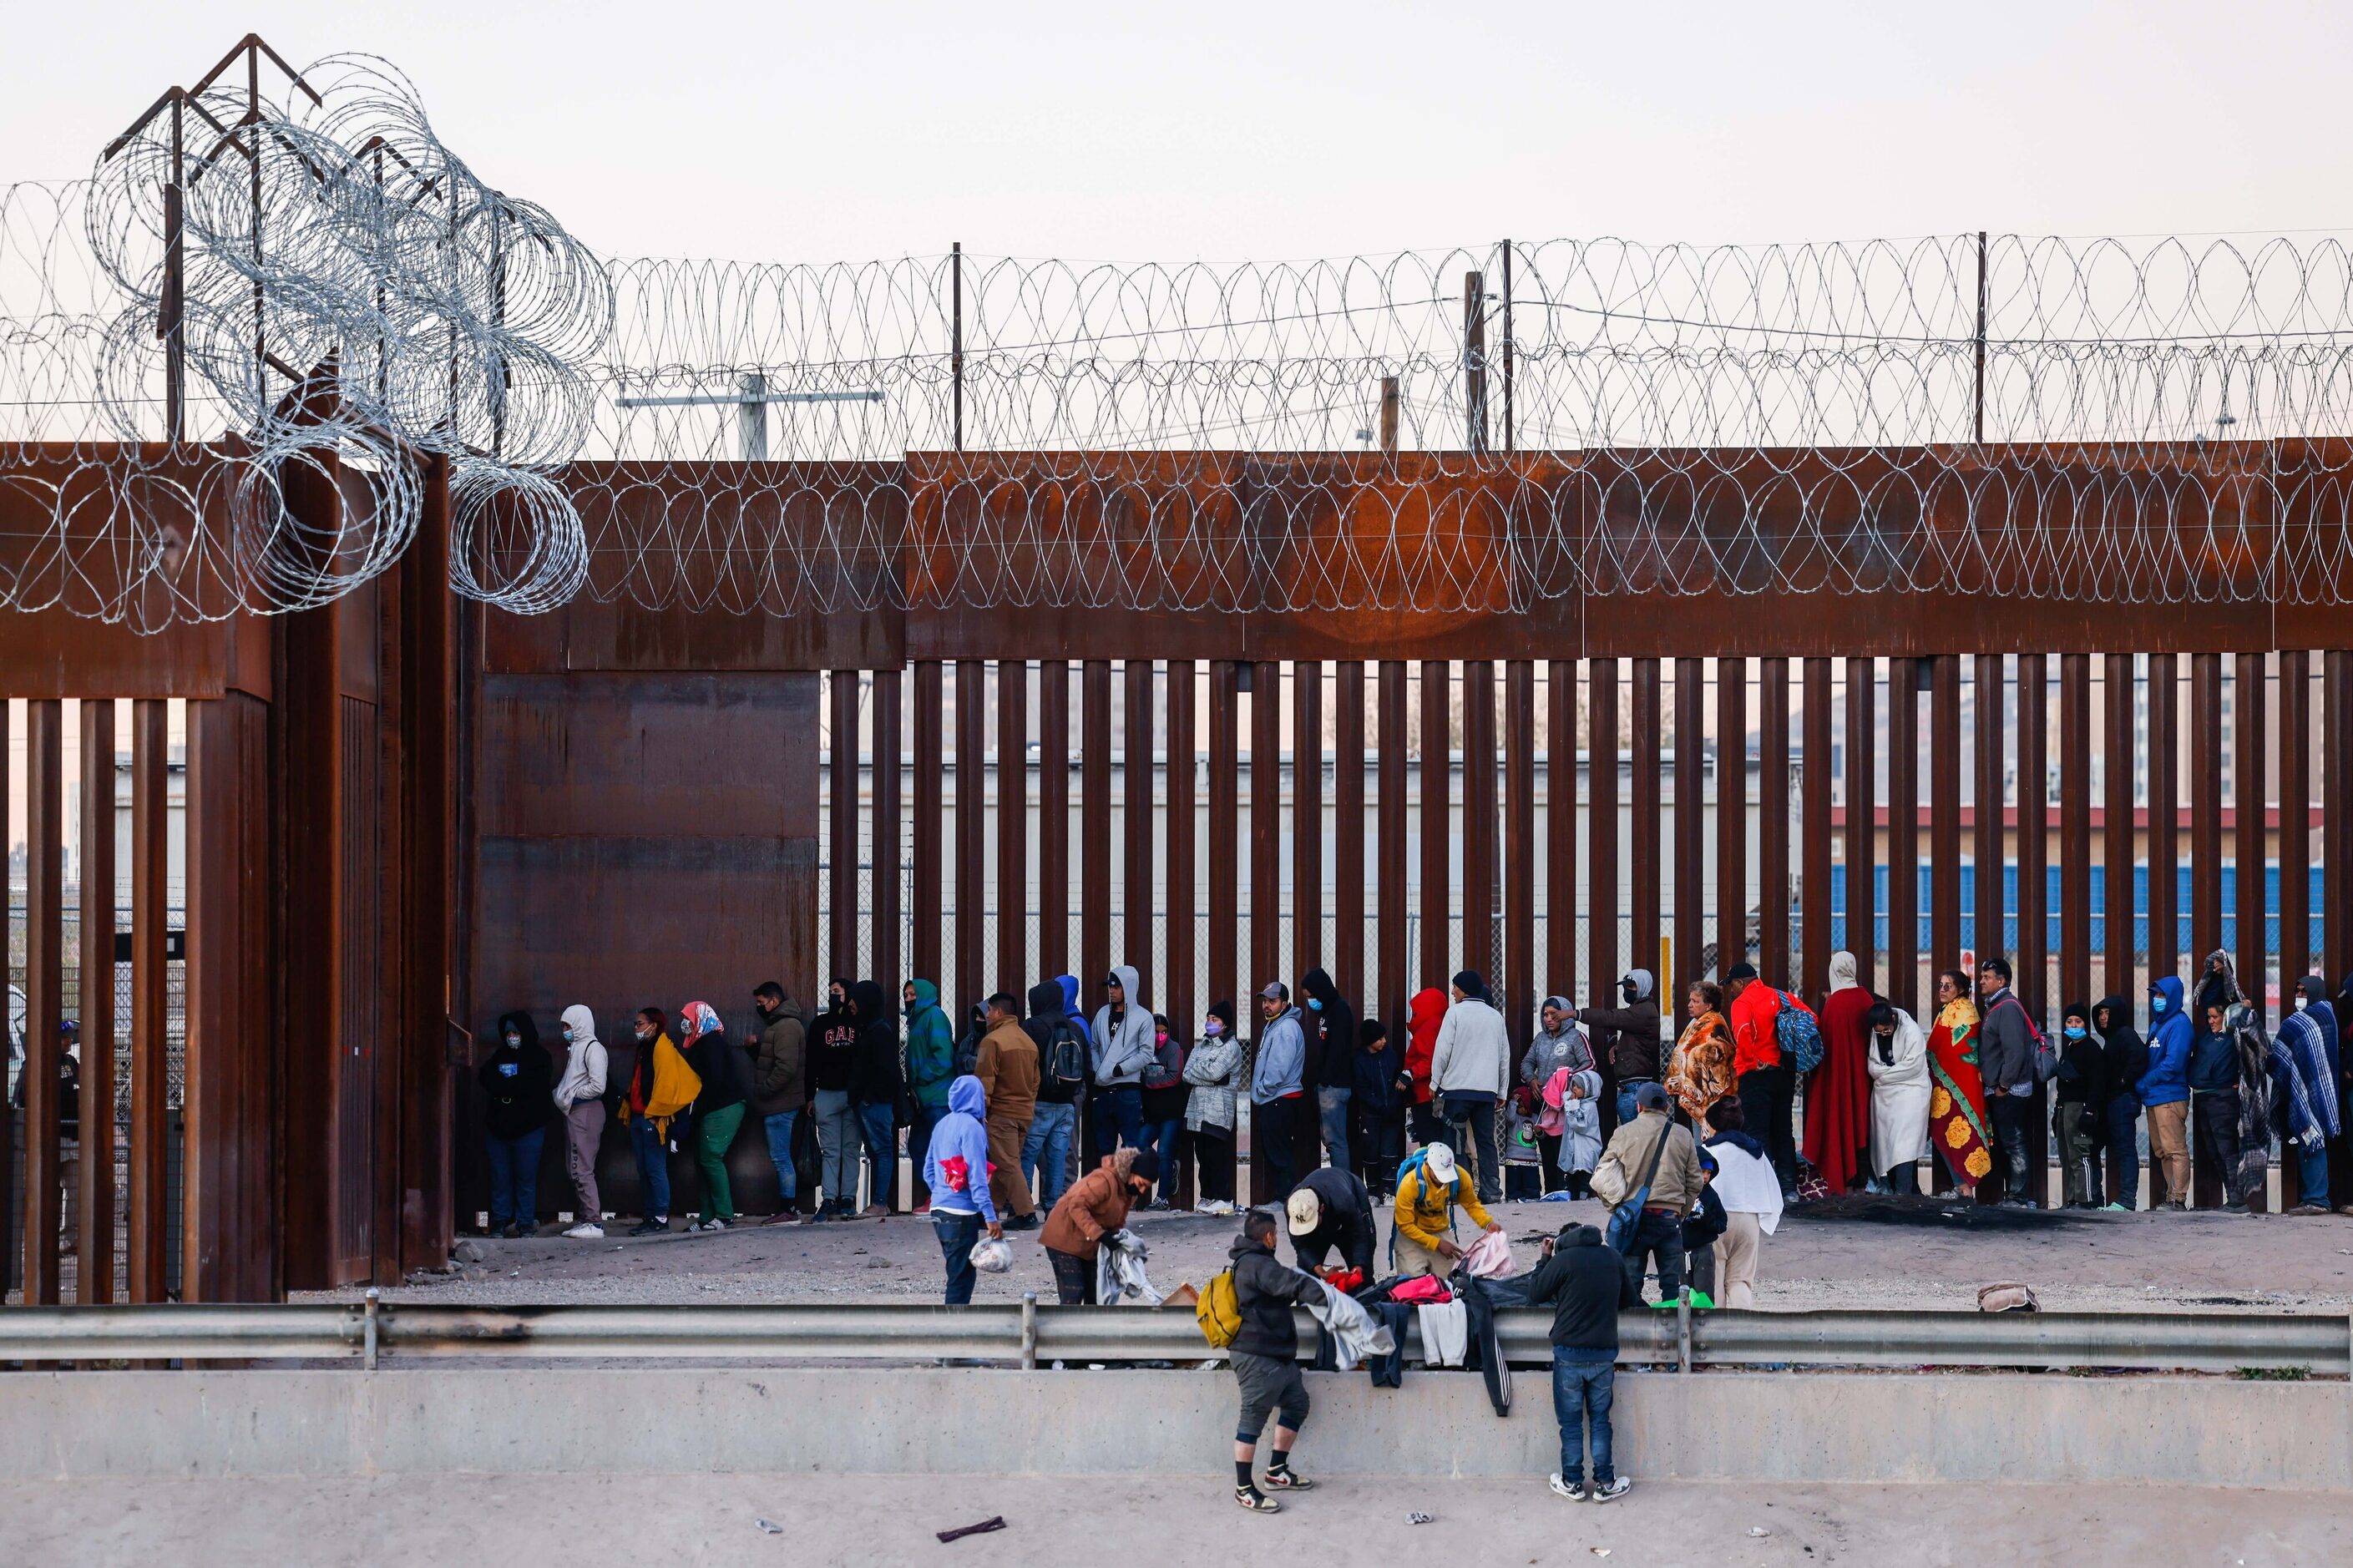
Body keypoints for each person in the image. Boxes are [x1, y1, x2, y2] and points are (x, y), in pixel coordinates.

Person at [1526, 1221, 1641, 1502]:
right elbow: (1629, 1300)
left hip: (1568, 1354)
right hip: (1603, 1354)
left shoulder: (1563, 1260)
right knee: (1601, 1420)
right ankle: (1605, 1483)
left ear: (1563, 1241)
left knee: (1571, 1422)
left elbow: (1534, 1294)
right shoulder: (1612, 1257)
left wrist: (1545, 1258)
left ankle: (1572, 1482)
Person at [1227, 1208, 1323, 1513]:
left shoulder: (1255, 1262)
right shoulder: (1257, 1264)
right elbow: (1291, 1283)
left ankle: (1276, 1471)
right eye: (1277, 1234)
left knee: (1297, 1403)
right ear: (1269, 1236)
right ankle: (1244, 1489)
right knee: (1252, 1419)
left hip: (1277, 1356)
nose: (1278, 1239)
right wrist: (1328, 1295)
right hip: (1257, 1356)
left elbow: (1279, 1290)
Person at [1597, 1081, 1704, 1301]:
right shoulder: (1682, 1135)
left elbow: (1602, 1177)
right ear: (1667, 1107)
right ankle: (1675, 1332)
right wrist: (1681, 1211)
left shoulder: (1623, 1133)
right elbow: (1695, 1181)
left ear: (1639, 1107)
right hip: (1669, 1218)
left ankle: (1632, 1331)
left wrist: (1616, 1208)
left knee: (1630, 1284)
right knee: (1674, 1288)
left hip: (1634, 1220)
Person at [922, 1074, 1004, 1305]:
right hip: (961, 1214)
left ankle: (953, 1328)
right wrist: (990, 1218)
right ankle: (953, 1331)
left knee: (956, 1270)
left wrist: (942, 1192)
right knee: (961, 1278)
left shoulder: (942, 1124)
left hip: (938, 1209)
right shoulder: (973, 1129)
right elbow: (977, 1178)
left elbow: (928, 1170)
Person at [1038, 1146, 1157, 1304]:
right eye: (1141, 1184)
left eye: (1146, 1187)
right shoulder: (1103, 1180)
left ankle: (1089, 1329)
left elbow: (1117, 1222)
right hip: (1062, 1239)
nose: (1142, 1190)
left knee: (1095, 1294)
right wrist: (1100, 1235)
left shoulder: (1128, 1192)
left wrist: (1124, 1246)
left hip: (1087, 1244)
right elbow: (1076, 1206)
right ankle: (1064, 1328)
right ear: (1132, 1173)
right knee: (1073, 1291)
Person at [1433, 969, 1512, 1203]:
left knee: (1453, 1140)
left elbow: (1442, 1051)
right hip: (1486, 1092)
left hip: (1457, 1090)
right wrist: (1502, 1091)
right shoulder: (1495, 1017)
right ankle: (1491, 1191)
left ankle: (1457, 1191)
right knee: (1486, 1141)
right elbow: (1504, 1057)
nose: (1452, 991)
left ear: (1465, 989)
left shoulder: (1455, 1013)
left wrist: (1435, 1082)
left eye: (1455, 986)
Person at [618, 1008, 696, 1234]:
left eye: (640, 1024)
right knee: (644, 1170)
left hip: (653, 1119)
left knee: (655, 1169)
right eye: (636, 1024)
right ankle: (651, 1216)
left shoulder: (662, 1048)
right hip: (638, 1117)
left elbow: (667, 1084)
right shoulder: (644, 1048)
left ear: (654, 1025)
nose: (637, 1028)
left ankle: (660, 1218)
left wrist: (656, 1114)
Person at [1725, 963, 1800, 1198]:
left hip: (1756, 1074)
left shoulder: (1742, 1002)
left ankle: (1765, 1192)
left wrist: (1752, 1060)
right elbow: (1810, 1018)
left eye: (1731, 986)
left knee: (1758, 1132)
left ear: (1739, 983)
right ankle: (1789, 1189)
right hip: (1784, 1073)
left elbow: (1742, 1032)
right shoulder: (1782, 997)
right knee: (1783, 1131)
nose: (1731, 991)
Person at [1701, 1095, 1782, 1307]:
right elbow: (1773, 1190)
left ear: (1715, 1126)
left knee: (1715, 1280)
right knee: (1740, 1281)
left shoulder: (1708, 1152)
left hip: (1716, 1221)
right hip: (1749, 1221)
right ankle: (1743, 1332)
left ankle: (1715, 1336)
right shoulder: (1756, 1153)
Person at [478, 1011, 554, 1237]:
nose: (512, 1037)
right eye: (509, 1033)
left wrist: (504, 1084)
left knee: (526, 1179)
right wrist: (511, 1084)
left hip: (529, 1128)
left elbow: (534, 1084)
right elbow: (486, 1077)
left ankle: (524, 1224)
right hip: (498, 1128)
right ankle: (499, 1221)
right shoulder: (500, 1055)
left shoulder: (540, 1056)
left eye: (516, 1033)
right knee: (500, 1177)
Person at [1975, 958, 2042, 1209]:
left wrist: (2003, 1085)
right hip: (2001, 1089)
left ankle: (2019, 1197)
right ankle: (2014, 1196)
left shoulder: (2007, 1008)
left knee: (2014, 1142)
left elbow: (2015, 1052)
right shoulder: (1996, 1006)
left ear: (2002, 981)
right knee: (2007, 1142)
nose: (1982, 981)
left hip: (2010, 1091)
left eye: (1987, 977)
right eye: (1981, 977)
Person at [1019, 979, 1087, 1224]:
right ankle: (1055, 1209)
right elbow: (1086, 1067)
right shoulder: (1076, 1027)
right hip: (1067, 1104)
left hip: (1039, 1102)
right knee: (1059, 1157)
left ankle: (1023, 1210)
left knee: (1027, 1155)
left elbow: (1024, 1064)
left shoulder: (1032, 1026)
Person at [677, 1000, 747, 1232]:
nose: (685, 1024)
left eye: (689, 1018)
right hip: (710, 1108)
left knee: (710, 1158)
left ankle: (724, 1215)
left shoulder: (711, 1042)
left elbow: (713, 1080)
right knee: (702, 1160)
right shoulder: (701, 1044)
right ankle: (707, 1216)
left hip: (722, 1107)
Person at [1808, 952, 1874, 1195]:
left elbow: (1825, 1046)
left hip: (1837, 1078)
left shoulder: (1835, 1004)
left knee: (1841, 1123)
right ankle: (1862, 1183)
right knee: (1861, 1126)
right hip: (1864, 1077)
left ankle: (1844, 1182)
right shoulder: (1865, 998)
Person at [2275, 977, 2343, 1216]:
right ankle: (2312, 1198)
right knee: (2306, 1142)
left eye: (2305, 991)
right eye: (2298, 991)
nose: (2300, 996)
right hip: (2302, 1089)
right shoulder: (2307, 1019)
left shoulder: (2323, 1016)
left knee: (2314, 1140)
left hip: (2317, 1092)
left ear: (2315, 992)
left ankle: (2318, 1199)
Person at [1925, 969, 1994, 1195]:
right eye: (1940, 985)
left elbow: (1955, 1050)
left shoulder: (1963, 1009)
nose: (1943, 990)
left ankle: (1965, 1188)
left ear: (1961, 989)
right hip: (1948, 1084)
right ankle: (1962, 1186)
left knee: (1960, 1130)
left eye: (1948, 986)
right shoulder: (1947, 1010)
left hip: (1960, 1083)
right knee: (1947, 1131)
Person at [974, 991, 1039, 1227]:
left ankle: (1026, 1213)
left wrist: (980, 1113)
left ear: (998, 1012)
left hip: (1001, 1113)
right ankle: (988, 1213)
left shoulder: (992, 1041)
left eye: (989, 1010)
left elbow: (984, 1082)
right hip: (1024, 1113)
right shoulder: (1028, 1042)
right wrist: (1027, 1106)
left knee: (1007, 1164)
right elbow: (1035, 1082)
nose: (987, 1015)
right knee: (1007, 1161)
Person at [1390, 1140, 1502, 1277]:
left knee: (1451, 1281)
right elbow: (1404, 1226)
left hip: (1439, 1230)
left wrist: (1487, 1223)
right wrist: (1437, 1244)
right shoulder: (1410, 1183)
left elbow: (1471, 1204)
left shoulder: (1459, 1176)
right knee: (1413, 1285)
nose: (1443, 1180)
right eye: (1438, 1176)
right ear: (1428, 1166)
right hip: (1411, 1235)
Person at [750, 982, 809, 1223]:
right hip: (779, 1104)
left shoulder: (786, 1026)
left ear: (774, 1001)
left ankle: (789, 1209)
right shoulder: (780, 1025)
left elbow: (785, 1067)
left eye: (761, 1003)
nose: (759, 1007)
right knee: (781, 1156)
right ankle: (788, 1208)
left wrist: (765, 1090)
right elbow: (776, 1061)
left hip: (780, 1104)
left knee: (781, 1158)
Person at [1523, 996, 1596, 1191]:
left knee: (1563, 1151)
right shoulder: (1540, 1039)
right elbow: (1527, 1062)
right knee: (1546, 1152)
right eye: (1545, 1014)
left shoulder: (1576, 1037)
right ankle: (1550, 1192)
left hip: (1565, 1107)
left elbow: (1590, 1064)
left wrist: (1567, 1080)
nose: (1548, 1019)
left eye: (1553, 1014)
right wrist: (1531, 1080)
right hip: (1543, 1105)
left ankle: (1566, 1192)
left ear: (1564, 1014)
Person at [551, 1004, 610, 1238]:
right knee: (576, 1167)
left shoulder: (592, 1049)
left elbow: (598, 1085)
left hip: (585, 1111)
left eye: (568, 1025)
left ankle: (594, 1222)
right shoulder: (577, 1048)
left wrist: (571, 1094)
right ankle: (587, 1219)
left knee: (581, 1168)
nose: (565, 1030)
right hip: (577, 1112)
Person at [1579, 969, 1662, 1128]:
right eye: (1625, 986)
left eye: (1631, 986)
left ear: (1643, 987)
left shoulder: (1643, 1011)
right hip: (1631, 1088)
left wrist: (1577, 1014)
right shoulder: (1640, 1012)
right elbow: (1642, 1042)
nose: (1627, 990)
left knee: (1636, 1141)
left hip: (1635, 1090)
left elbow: (1610, 1017)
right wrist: (1620, 1047)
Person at [1863, 999, 1930, 1194]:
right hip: (1885, 1095)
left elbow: (1913, 1067)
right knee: (1886, 1142)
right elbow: (1872, 1065)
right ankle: (1893, 1188)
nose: (1883, 1034)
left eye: (1886, 1030)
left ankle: (1904, 1193)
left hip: (1912, 1091)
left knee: (1905, 1146)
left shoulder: (1912, 1031)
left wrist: (1883, 1075)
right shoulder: (1877, 1033)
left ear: (1893, 1019)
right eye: (1879, 1032)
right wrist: (1884, 1074)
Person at [1182, 1002, 1244, 1215]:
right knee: (1203, 1155)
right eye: (1208, 1018)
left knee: (1217, 1156)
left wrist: (1208, 1075)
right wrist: (1211, 1078)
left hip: (1218, 1111)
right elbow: (1186, 1073)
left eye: (1215, 1019)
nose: (1210, 1023)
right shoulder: (1202, 1045)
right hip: (1198, 1111)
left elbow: (1216, 1072)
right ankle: (1207, 1196)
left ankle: (1224, 1198)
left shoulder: (1231, 1047)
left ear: (1225, 1024)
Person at [849, 979, 903, 1216]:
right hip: (869, 1102)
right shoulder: (870, 1029)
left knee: (882, 1151)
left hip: (876, 1104)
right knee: (876, 1152)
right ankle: (879, 1202)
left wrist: (869, 1098)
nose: (851, 1007)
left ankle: (880, 1203)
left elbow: (887, 1072)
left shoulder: (879, 1032)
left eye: (854, 1003)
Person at [2139, 974, 2194, 1210]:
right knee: (2162, 1151)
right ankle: (2171, 1195)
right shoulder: (2157, 1024)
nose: (2157, 1000)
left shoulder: (2180, 1024)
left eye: (2162, 995)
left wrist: (2147, 1080)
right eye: (2156, 995)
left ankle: (2178, 1199)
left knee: (2175, 1149)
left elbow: (2174, 1063)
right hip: (2154, 1096)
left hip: (2170, 1096)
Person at [1089, 966, 1154, 1158]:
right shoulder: (1102, 1014)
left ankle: (1127, 1188)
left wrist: (1120, 1069)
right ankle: (1109, 1187)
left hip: (1128, 1091)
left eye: (1117, 986)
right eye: (1110, 986)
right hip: (1102, 1091)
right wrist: (1097, 1067)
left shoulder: (1143, 1017)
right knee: (1104, 1148)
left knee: (1130, 1148)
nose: (1112, 991)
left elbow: (1146, 1053)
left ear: (1129, 987)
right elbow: (1093, 1045)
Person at [809, 978, 861, 1220]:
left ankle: (848, 1198)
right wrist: (810, 1096)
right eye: (830, 991)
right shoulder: (820, 1024)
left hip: (852, 1094)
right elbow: (811, 1063)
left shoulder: (858, 1023)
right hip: (827, 1093)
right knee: (831, 1151)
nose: (832, 995)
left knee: (850, 1149)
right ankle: (829, 1199)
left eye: (837, 991)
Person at [1252, 983, 1309, 1196]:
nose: (1266, 1006)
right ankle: (1284, 1197)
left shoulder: (1285, 1028)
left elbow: (1278, 1069)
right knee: (1277, 1151)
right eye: (1264, 1001)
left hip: (1280, 1098)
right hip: (1277, 1098)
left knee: (1279, 1153)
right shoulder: (1276, 1024)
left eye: (1272, 1001)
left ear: (1284, 1004)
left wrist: (1263, 1088)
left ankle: (1286, 1198)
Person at [2091, 995, 2148, 1212]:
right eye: (2101, 1013)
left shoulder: (2125, 1035)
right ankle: (2097, 1197)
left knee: (2125, 1150)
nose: (2103, 1018)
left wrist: (2124, 1080)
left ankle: (2126, 1200)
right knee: (2095, 1146)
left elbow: (2140, 1057)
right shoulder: (2112, 1039)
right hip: (2113, 1101)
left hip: (2122, 1100)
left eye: (2107, 1013)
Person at [903, 979, 956, 1211]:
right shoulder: (917, 1021)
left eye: (913, 993)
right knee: (918, 1147)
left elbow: (943, 1058)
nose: (908, 997)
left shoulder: (934, 1016)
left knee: (939, 1149)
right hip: (925, 1099)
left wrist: (920, 1077)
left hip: (938, 1097)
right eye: (906, 994)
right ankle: (938, 1195)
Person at [2222, 986, 2275, 1211]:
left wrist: (2245, 1009)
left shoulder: (2253, 1033)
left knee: (2252, 1140)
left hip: (2255, 1098)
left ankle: (2243, 1198)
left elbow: (2261, 1056)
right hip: (2245, 1097)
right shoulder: (2237, 1037)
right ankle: (2238, 1197)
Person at [1302, 967, 1358, 1178]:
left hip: (1334, 1086)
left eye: (1312, 996)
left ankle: (1341, 1184)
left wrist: (1325, 1079)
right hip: (1329, 1085)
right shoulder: (1327, 1011)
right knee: (1332, 1140)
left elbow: (1338, 1049)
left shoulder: (1339, 1011)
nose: (1310, 1001)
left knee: (1335, 1141)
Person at [2052, 1001, 2106, 1210]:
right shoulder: (2070, 1049)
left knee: (2080, 1154)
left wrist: (2089, 1111)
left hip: (2080, 1107)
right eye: (2069, 1022)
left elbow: (2097, 1083)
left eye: (2078, 1021)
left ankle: (2085, 1199)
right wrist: (2057, 1109)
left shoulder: (2092, 1050)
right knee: (2066, 1155)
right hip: (2065, 1107)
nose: (2073, 1026)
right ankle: (2072, 1198)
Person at [1662, 981, 1737, 1131]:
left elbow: (1706, 1056)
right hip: (1701, 1090)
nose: (1690, 1004)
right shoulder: (1698, 1023)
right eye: (1690, 1000)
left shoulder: (1713, 1025)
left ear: (1708, 1005)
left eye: (1695, 1001)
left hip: (1709, 1094)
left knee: (1706, 1136)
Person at [1285, 1164, 1379, 1277]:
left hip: (1350, 1192)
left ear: (1321, 1208)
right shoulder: (1293, 1207)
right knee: (1306, 1274)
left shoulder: (1344, 1201)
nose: (1310, 1228)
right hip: (1330, 1203)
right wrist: (1322, 1272)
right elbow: (1300, 1245)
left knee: (1364, 1270)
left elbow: (1359, 1236)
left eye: (1312, 1223)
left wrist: (1358, 1268)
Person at [1352, 1018, 1405, 1197]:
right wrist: (1378, 1105)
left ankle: (1390, 1191)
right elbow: (1362, 1089)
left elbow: (1397, 1079)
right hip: (1371, 1115)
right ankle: (1373, 1191)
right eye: (1379, 1038)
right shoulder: (1360, 1059)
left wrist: (1393, 1103)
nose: (1384, 1041)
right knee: (1371, 1152)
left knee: (1390, 1152)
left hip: (1391, 1112)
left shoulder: (1390, 1055)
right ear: (1369, 1040)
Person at [1139, 1014, 1188, 1206]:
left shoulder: (1174, 1049)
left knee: (1165, 1152)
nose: (1160, 1036)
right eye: (1156, 1032)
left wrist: (1150, 1082)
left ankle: (1162, 1198)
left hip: (1170, 1112)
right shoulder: (1144, 1049)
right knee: (1138, 1144)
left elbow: (1174, 1076)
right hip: (1152, 1113)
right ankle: (1163, 1170)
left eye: (1164, 1032)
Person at [1399, 986, 1448, 1146]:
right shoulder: (1440, 1025)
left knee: (1429, 1141)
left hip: (1425, 1095)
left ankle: (1431, 1171)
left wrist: (1411, 1073)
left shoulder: (1429, 1028)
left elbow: (1431, 1060)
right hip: (1436, 1095)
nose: (1413, 1016)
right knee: (1438, 1138)